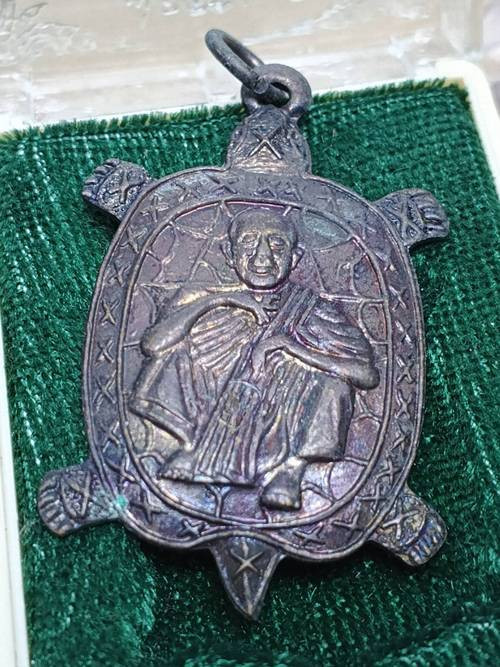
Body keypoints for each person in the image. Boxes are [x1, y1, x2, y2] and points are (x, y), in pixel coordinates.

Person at [130, 207, 379, 510]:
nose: (263, 257)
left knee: (334, 383)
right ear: (229, 252)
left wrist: (292, 348)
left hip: (282, 416)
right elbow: (152, 345)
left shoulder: (315, 310)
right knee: (176, 349)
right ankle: (192, 443)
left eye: (277, 245)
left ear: (295, 258)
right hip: (213, 409)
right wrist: (221, 300)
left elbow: (367, 375)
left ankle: (290, 469)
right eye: (249, 243)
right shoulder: (201, 296)